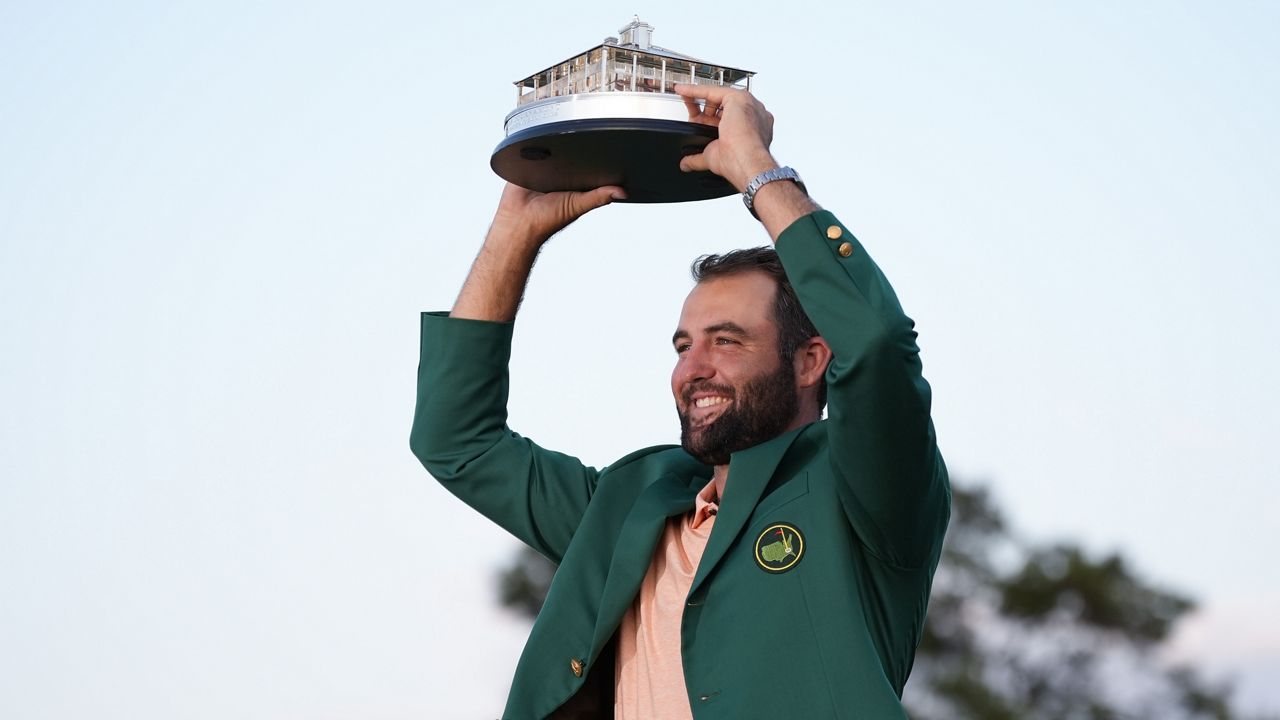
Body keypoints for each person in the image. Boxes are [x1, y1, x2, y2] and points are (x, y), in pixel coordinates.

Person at [411, 84, 950, 719]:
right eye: (682, 346)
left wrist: (758, 172)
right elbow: (457, 444)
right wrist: (514, 232)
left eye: (727, 341)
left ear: (810, 360)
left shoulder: (867, 487)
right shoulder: (631, 503)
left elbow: (878, 343)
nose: (693, 370)